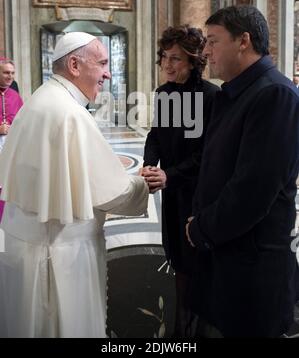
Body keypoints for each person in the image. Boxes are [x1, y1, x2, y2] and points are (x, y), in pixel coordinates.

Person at [0, 32, 148, 338]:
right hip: (61, 255)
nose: (107, 72)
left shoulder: (38, 101)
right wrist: (143, 184)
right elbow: (113, 193)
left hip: (25, 249)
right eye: (102, 63)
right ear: (74, 65)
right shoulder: (70, 114)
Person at [186, 5, 299, 338]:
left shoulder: (274, 95)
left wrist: (200, 229)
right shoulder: (236, 93)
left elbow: (252, 191)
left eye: (213, 41)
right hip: (225, 255)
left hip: (252, 267)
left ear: (243, 41)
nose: (205, 52)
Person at [140, 25, 218, 337]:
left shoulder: (212, 97)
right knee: (178, 258)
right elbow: (156, 136)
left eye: (176, 59)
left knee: (198, 262)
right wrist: (149, 164)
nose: (168, 65)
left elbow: (207, 154)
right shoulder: (165, 94)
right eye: (164, 58)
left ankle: (197, 327)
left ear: (194, 61)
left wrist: (169, 174)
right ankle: (182, 326)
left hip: (199, 193)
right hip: (172, 190)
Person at [0, 57, 23, 221]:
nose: (10, 76)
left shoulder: (15, 95)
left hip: (10, 144)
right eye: (6, 72)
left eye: (12, 73)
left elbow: (23, 120)